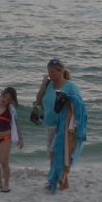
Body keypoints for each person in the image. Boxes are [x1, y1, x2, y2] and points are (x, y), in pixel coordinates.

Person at [34, 58, 88, 193]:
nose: (50, 74)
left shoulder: (70, 86)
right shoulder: (48, 85)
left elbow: (79, 106)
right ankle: (61, 181)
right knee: (53, 155)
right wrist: (42, 85)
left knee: (56, 153)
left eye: (52, 71)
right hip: (50, 125)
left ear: (60, 71)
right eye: (48, 71)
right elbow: (38, 101)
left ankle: (55, 180)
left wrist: (68, 100)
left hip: (64, 126)